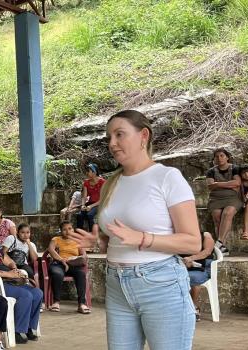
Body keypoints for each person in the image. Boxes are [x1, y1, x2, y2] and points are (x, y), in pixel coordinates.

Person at [68, 110, 201, 350]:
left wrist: (143, 238)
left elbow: (192, 242)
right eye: (109, 137)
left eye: (120, 134)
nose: (112, 143)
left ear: (143, 136)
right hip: (116, 284)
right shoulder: (111, 183)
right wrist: (97, 241)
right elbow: (116, 238)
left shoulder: (167, 177)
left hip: (160, 282)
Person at [206, 148, 242, 255]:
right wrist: (228, 184)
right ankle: (222, 247)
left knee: (227, 213)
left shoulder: (234, 168)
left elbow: (237, 183)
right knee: (217, 216)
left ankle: (219, 242)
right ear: (214, 159)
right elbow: (210, 186)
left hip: (233, 197)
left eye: (222, 155)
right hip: (216, 198)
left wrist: (218, 184)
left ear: (227, 157)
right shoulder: (211, 171)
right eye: (217, 156)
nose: (219, 158)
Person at [47, 221, 88, 313]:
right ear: (61, 231)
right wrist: (62, 260)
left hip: (73, 264)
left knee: (81, 274)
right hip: (59, 264)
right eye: (64, 229)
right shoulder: (56, 239)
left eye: (70, 228)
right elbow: (51, 250)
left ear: (73, 230)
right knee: (57, 274)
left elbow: (84, 255)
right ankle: (56, 302)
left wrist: (78, 259)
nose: (67, 231)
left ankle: (81, 304)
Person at [182, 231, 215, 321]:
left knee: (193, 278)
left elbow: (207, 252)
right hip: (184, 266)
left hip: (203, 267)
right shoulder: (178, 236)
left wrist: (191, 259)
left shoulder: (205, 235)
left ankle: (193, 307)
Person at [77, 164, 106, 232]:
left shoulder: (102, 182)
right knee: (79, 215)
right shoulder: (86, 183)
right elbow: (84, 196)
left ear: (94, 172)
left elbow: (103, 198)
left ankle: (92, 234)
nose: (86, 173)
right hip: (90, 203)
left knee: (90, 215)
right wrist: (83, 205)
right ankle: (79, 234)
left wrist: (91, 206)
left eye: (88, 171)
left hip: (99, 203)